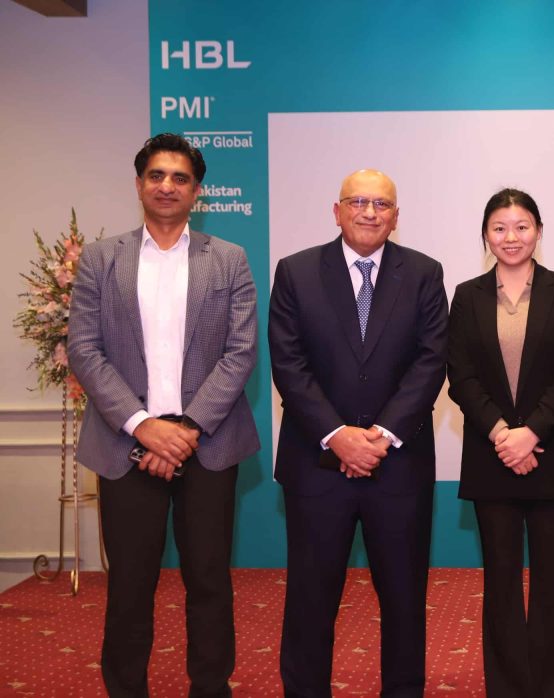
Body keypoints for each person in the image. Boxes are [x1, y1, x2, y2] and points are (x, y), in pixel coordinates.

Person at [67, 133, 260, 697]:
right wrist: (144, 426)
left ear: (197, 191)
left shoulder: (228, 259)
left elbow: (241, 351)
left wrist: (186, 430)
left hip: (208, 443)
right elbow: (85, 349)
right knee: (129, 586)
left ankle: (211, 688)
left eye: (180, 178)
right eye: (156, 175)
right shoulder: (102, 259)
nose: (167, 186)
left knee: (209, 581)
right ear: (138, 185)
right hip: (125, 443)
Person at [268, 169, 448, 697]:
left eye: (382, 204)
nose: (370, 212)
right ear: (337, 210)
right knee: (310, 599)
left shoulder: (423, 273)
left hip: (399, 466)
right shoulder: (297, 272)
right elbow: (288, 363)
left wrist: (381, 435)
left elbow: (431, 361)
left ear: (396, 216)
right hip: (316, 465)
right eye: (358, 202)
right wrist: (337, 435)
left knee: (404, 599)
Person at [447, 188, 554, 697]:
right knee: (500, 581)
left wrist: (530, 433)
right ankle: (506, 687)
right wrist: (502, 434)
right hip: (491, 457)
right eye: (500, 228)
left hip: (551, 453)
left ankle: (550, 687)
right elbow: (460, 376)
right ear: (486, 235)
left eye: (522, 226)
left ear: (539, 231)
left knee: (552, 582)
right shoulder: (467, 295)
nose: (511, 237)